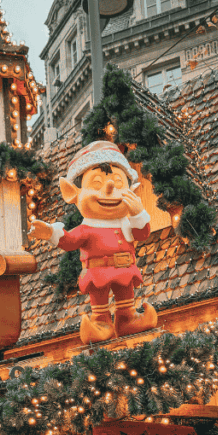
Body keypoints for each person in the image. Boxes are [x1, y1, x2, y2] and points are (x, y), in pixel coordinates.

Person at [30, 141, 157, 344]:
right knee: (99, 305)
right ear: (73, 193)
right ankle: (100, 324)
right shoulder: (87, 228)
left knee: (126, 299)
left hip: (125, 269)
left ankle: (128, 319)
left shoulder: (127, 222)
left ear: (132, 189)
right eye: (96, 184)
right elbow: (69, 241)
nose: (109, 188)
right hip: (98, 273)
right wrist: (51, 233)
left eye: (118, 182)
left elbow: (142, 233)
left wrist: (138, 213)